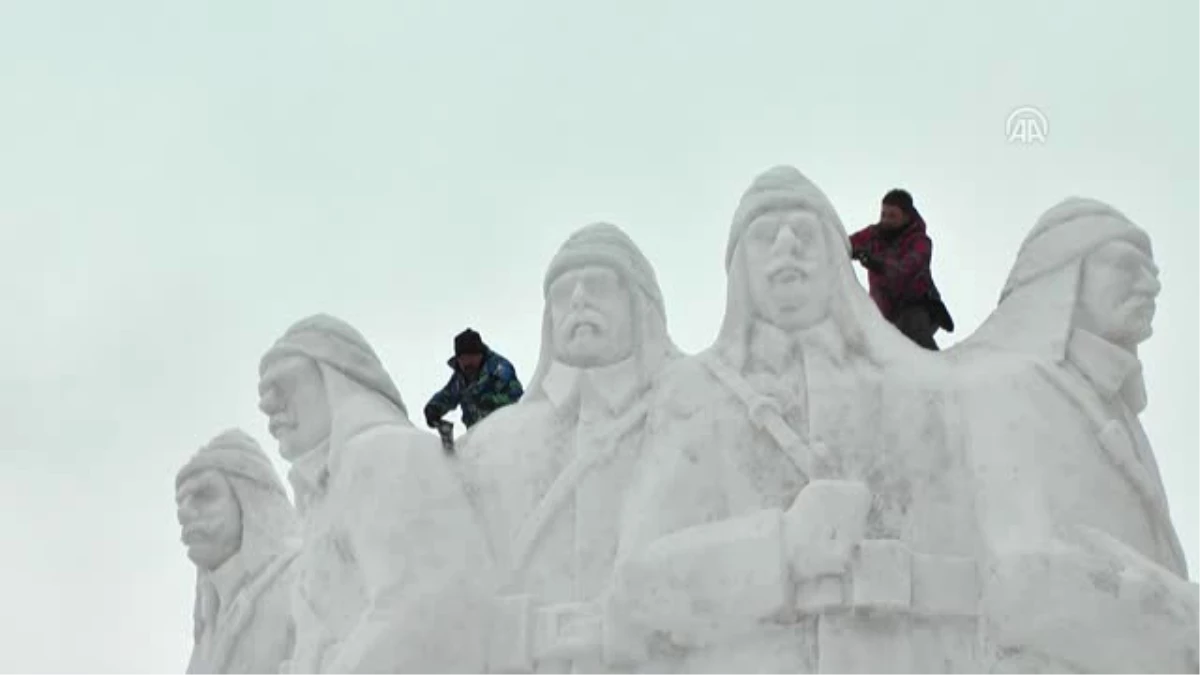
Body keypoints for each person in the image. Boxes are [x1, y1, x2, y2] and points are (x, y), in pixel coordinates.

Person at [257, 314, 493, 675]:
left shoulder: (387, 456)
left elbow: (420, 607)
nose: (269, 407)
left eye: (283, 384)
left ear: (336, 378)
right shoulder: (322, 500)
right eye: (264, 395)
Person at [176, 428, 300, 675]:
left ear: (250, 501)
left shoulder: (302, 582)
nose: (184, 512)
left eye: (204, 495)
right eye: (182, 501)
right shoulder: (208, 623)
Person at [849, 188, 954, 349]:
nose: (885, 220)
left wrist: (878, 263)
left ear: (906, 217)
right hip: (884, 316)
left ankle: (938, 371)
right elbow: (845, 243)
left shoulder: (920, 241)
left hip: (919, 308)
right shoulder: (873, 234)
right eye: (883, 214)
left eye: (892, 216)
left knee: (911, 328)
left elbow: (907, 268)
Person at [424, 328, 524, 431]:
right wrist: (434, 408)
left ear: (480, 355)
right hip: (476, 437)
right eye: (463, 359)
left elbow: (518, 398)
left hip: (505, 432)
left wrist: (493, 401)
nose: (467, 363)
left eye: (471, 357)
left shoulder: (499, 368)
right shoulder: (460, 378)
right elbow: (448, 395)